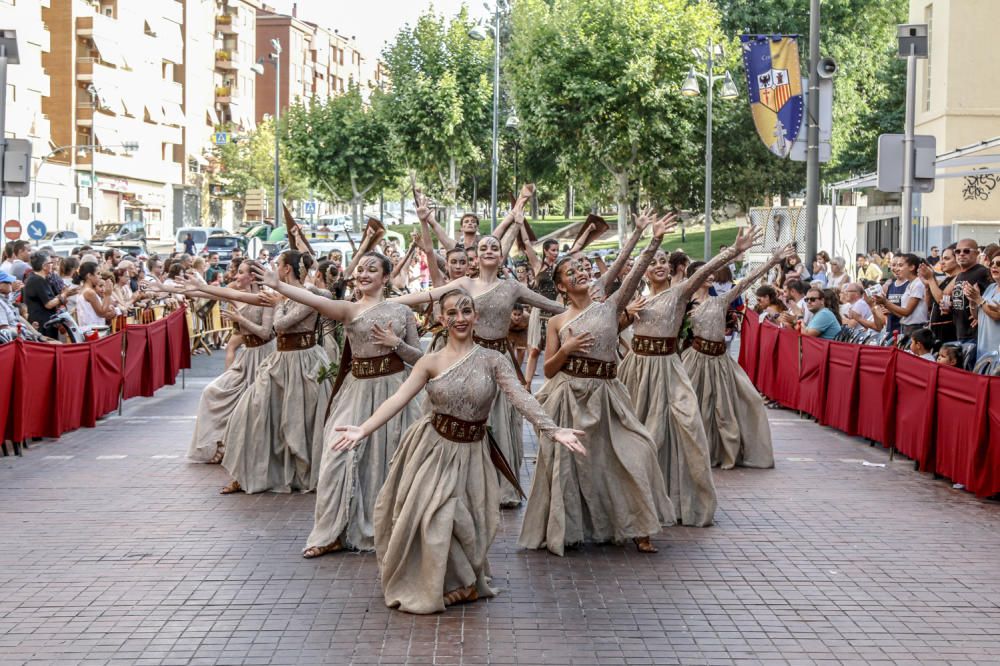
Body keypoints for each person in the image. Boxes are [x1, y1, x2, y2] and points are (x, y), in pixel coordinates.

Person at [332, 288, 585, 614]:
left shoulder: (494, 360)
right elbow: (399, 399)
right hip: (432, 449)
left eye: (466, 311)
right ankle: (438, 586)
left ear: (476, 316)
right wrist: (363, 428)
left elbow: (521, 398)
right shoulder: (430, 361)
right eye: (452, 312)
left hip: (472, 453)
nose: (460, 318)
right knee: (434, 517)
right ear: (441, 319)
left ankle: (463, 583)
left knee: (470, 525)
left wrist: (552, 428)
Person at [519, 210, 677, 556]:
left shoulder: (607, 304)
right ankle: (568, 529)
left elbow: (629, 269)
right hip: (570, 394)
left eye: (584, 268)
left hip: (609, 395)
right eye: (570, 272)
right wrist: (568, 348)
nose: (581, 273)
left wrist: (649, 237)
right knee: (572, 468)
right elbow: (547, 368)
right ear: (560, 285)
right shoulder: (558, 321)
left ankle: (641, 526)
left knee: (637, 451)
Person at [391, 200, 565, 508]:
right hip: (463, 359)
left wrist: (584, 311)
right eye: (484, 247)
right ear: (477, 254)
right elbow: (430, 294)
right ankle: (457, 480)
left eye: (494, 248)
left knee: (501, 419)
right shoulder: (463, 283)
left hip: (498, 359)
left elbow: (551, 306)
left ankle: (501, 488)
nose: (488, 251)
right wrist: (390, 302)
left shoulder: (511, 287)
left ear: (500, 256)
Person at [257, 252, 424, 558]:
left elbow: (420, 359)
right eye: (360, 269)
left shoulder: (402, 312)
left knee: (388, 460)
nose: (363, 274)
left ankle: (391, 528)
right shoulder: (349, 309)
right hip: (357, 392)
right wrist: (279, 285)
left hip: (395, 392)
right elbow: (314, 301)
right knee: (336, 456)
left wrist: (395, 344)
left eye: (372, 270)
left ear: (385, 277)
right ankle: (331, 532)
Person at [619, 227, 759, 527]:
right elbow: (613, 325)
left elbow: (703, 271)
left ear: (670, 270)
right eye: (652, 261)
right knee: (636, 435)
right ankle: (635, 501)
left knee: (687, 427)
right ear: (644, 271)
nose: (658, 265)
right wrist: (627, 314)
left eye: (663, 262)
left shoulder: (679, 293)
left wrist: (733, 251)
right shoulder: (635, 298)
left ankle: (678, 498)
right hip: (637, 369)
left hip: (668, 368)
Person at [217, 250, 332, 495]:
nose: (275, 268)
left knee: (301, 421)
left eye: (278, 264)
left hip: (304, 362)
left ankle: (305, 473)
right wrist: (195, 289)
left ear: (287, 269)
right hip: (280, 361)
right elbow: (232, 293)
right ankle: (248, 473)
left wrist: (280, 303)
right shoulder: (280, 294)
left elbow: (279, 325)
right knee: (249, 412)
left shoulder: (307, 295)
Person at [683, 244, 794, 469]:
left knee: (743, 402)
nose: (710, 276)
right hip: (694, 359)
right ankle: (693, 452)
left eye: (711, 273)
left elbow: (746, 282)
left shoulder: (720, 300)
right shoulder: (683, 302)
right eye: (705, 273)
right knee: (694, 407)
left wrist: (773, 262)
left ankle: (723, 449)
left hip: (721, 360)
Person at [171, 260, 277, 464]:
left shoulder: (265, 297)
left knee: (256, 406)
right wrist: (163, 288)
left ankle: (249, 452)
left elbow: (265, 333)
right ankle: (221, 441)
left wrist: (241, 319)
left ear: (252, 277)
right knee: (213, 392)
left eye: (240, 273)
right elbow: (206, 294)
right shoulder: (236, 294)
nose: (236, 276)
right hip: (248, 356)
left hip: (265, 356)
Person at [949, 238, 992, 349]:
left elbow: (993, 298)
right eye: (958, 251)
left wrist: (980, 315)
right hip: (960, 331)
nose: (961, 254)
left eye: (966, 251)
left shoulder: (982, 272)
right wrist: (949, 306)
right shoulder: (960, 275)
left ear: (977, 253)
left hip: (975, 334)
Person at [23, 252, 78, 337]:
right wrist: (64, 294)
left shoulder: (42, 278)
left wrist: (66, 294)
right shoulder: (37, 280)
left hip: (47, 322)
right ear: (44, 266)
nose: (53, 265)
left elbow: (51, 298)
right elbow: (49, 304)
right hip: (42, 324)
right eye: (50, 263)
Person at [873, 254, 927, 335]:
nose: (896, 269)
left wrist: (886, 302)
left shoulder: (918, 284)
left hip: (916, 328)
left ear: (912, 267)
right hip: (906, 328)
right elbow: (901, 314)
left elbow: (907, 312)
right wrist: (884, 304)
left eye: (900, 265)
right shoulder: (910, 284)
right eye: (895, 265)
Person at [918, 246, 959, 344]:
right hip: (936, 329)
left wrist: (931, 279)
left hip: (948, 331)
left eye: (946, 259)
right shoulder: (946, 280)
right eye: (941, 259)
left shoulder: (959, 278)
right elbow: (928, 306)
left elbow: (941, 300)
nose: (942, 262)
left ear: (957, 260)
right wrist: (927, 285)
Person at [963, 254, 1000, 361]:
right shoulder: (991, 287)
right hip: (983, 348)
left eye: (999, 264)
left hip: (997, 351)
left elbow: (997, 316)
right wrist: (972, 301)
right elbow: (977, 316)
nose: (994, 266)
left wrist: (979, 299)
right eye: (992, 263)